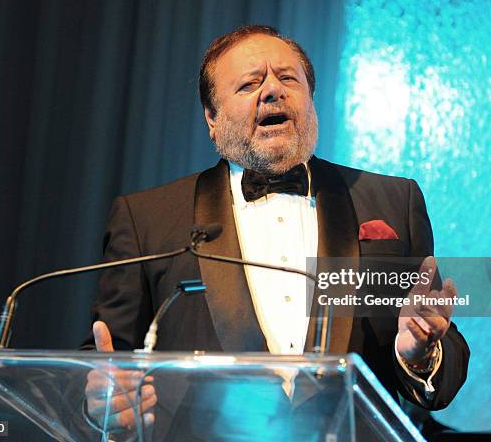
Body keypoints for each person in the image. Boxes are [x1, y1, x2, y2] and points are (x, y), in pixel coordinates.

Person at [83, 25, 470, 434]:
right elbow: (107, 355)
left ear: (311, 100)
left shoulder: (392, 201)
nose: (272, 90)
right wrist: (99, 398)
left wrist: (420, 353)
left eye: (288, 78)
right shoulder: (148, 218)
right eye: (250, 83)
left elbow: (445, 354)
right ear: (211, 118)